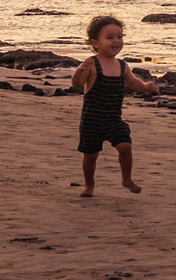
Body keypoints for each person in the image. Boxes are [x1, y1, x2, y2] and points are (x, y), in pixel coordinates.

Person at [66, 14, 158, 196]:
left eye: (119, 37)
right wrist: (80, 70)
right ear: (95, 43)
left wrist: (146, 87)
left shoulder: (122, 66)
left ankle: (126, 179)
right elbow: (77, 84)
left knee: (125, 147)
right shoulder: (92, 64)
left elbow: (132, 83)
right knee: (90, 156)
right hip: (92, 121)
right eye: (110, 37)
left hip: (113, 119)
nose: (116, 41)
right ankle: (89, 185)